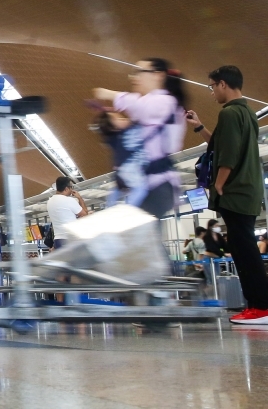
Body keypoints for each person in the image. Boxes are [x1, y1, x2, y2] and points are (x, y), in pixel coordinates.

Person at [186, 65, 268, 325]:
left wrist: (219, 185)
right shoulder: (246, 113)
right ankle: (257, 306)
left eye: (212, 87)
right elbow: (221, 146)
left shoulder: (230, 114)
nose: (212, 92)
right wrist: (199, 127)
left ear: (222, 84)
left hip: (235, 192)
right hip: (247, 192)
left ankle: (261, 308)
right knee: (244, 250)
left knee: (245, 252)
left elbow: (228, 157)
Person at [93, 58, 187, 218]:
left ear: (158, 75)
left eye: (140, 71)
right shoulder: (145, 111)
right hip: (147, 186)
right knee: (140, 237)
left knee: (135, 232)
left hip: (159, 185)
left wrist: (110, 94)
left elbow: (141, 106)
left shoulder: (165, 102)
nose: (134, 77)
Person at [45, 177, 88, 250]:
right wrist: (79, 198)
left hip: (58, 240)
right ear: (66, 189)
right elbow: (85, 215)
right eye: (71, 187)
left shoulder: (49, 202)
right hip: (70, 239)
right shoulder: (69, 200)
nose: (72, 190)